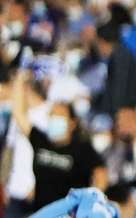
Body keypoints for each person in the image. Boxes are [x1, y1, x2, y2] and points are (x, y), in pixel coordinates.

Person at [10, 74, 108, 208]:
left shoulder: (82, 149)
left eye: (60, 115)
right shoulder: (41, 141)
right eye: (52, 115)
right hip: (41, 213)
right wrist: (20, 80)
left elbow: (101, 176)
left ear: (72, 123)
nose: (54, 119)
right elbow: (19, 113)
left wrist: (88, 205)